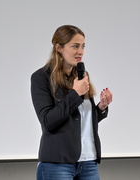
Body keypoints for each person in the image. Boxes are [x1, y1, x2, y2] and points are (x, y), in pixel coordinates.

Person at [31, 25, 113, 180]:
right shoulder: (41, 78)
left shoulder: (81, 75)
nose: (80, 51)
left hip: (88, 162)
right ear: (59, 48)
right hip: (57, 163)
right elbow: (48, 121)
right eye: (75, 46)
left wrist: (101, 108)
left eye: (83, 46)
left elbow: (79, 118)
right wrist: (75, 93)